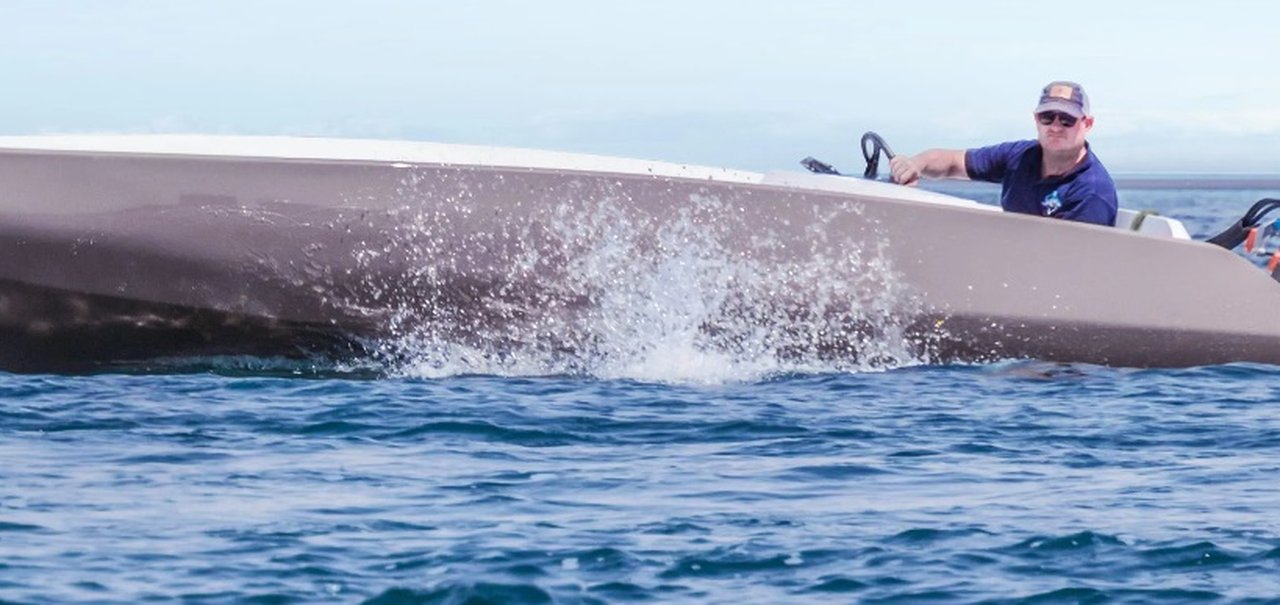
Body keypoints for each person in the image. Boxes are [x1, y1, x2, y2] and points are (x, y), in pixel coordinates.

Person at [889, 81, 1118, 226]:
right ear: (1036, 120)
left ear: (1087, 124)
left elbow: (1068, 264)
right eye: (1048, 117)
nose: (1055, 127)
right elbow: (952, 162)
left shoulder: (1091, 192)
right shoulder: (1020, 155)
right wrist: (915, 164)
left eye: (1067, 119)